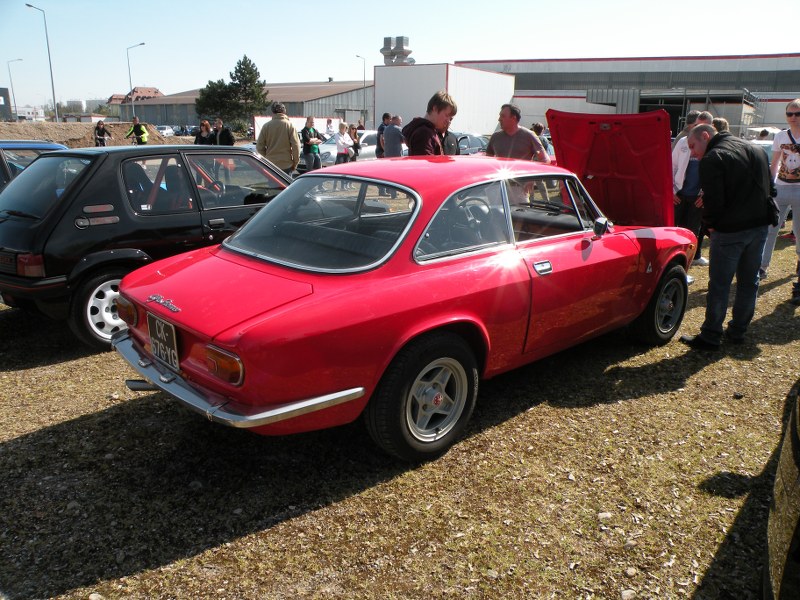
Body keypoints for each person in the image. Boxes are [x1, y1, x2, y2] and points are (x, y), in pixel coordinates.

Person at [679, 124, 774, 350]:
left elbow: (713, 200)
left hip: (731, 230)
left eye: (693, 146)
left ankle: (711, 334)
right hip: (759, 226)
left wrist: (711, 226)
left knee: (720, 284)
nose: (692, 152)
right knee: (749, 282)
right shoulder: (756, 150)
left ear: (705, 136)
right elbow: (769, 187)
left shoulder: (713, 158)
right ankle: (738, 330)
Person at [759, 98, 800, 301]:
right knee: (770, 230)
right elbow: (774, 163)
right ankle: (762, 267)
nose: (793, 117)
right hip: (781, 189)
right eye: (789, 114)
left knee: (799, 232)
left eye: (797, 113)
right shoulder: (781, 136)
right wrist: (770, 186)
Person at [672, 111, 713, 268]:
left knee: (693, 230)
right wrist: (672, 191)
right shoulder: (683, 141)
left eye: (703, 126)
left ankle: (689, 261)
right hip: (679, 194)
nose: (698, 129)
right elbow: (672, 166)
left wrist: (706, 195)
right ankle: (675, 261)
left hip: (697, 197)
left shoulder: (713, 145)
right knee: (675, 229)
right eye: (696, 125)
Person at [485, 103, 550, 163]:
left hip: (522, 175)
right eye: (500, 116)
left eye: (503, 116)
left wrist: (533, 172)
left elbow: (545, 159)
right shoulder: (495, 137)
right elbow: (488, 160)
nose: (499, 119)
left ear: (513, 117)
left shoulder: (529, 135)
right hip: (502, 174)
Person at [402, 91, 458, 156]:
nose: (448, 121)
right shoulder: (424, 133)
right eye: (447, 115)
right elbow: (426, 165)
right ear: (435, 108)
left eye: (451, 118)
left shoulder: (426, 131)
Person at [256, 102, 300, 176]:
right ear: (284, 111)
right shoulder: (290, 125)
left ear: (273, 112)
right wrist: (295, 163)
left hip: (271, 164)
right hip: (286, 164)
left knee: (273, 187)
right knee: (287, 187)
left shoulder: (266, 126)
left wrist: (266, 159)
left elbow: (259, 147)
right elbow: (296, 146)